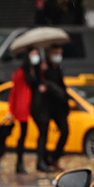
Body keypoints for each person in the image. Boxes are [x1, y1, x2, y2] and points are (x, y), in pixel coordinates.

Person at [33, 44, 69, 172]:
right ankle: (42, 161)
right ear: (49, 53)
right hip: (46, 106)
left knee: (65, 131)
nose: (58, 55)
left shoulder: (57, 68)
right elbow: (36, 82)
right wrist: (40, 69)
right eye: (56, 52)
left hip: (59, 107)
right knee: (44, 133)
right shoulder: (43, 68)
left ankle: (54, 158)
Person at [9, 51, 34, 174]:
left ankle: (20, 163)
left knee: (25, 135)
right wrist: (11, 110)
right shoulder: (21, 73)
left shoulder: (35, 71)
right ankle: (19, 163)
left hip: (30, 107)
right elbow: (14, 92)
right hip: (23, 108)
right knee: (22, 135)